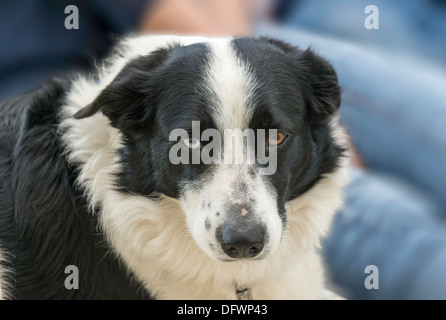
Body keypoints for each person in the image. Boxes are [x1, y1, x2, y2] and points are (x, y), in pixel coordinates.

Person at [1, 0, 445, 299]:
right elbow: (175, 14)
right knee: (411, 237)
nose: (242, 224)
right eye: (195, 145)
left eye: (270, 140)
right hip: (181, 58)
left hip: (265, 41)